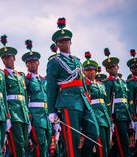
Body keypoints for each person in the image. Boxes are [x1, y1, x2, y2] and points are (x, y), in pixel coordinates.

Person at [46, 17, 99, 157]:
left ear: (71, 41)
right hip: (68, 102)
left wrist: (87, 99)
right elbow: (51, 87)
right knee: (72, 140)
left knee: (94, 132)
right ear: (57, 44)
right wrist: (51, 110)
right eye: (61, 41)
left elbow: (83, 83)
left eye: (66, 40)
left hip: (83, 101)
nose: (64, 43)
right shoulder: (55, 62)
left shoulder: (77, 61)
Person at [0, 34, 30, 157]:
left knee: (25, 144)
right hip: (13, 113)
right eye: (4, 58)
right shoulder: (2, 75)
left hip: (23, 113)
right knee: (18, 144)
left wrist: (27, 113)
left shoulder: (20, 75)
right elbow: (3, 96)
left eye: (9, 57)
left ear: (14, 58)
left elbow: (26, 96)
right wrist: (7, 116)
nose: (7, 60)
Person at [22, 40, 52, 157]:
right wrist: (28, 117)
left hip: (46, 116)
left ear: (38, 62)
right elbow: (24, 98)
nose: (31, 64)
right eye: (28, 63)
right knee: (39, 144)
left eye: (34, 61)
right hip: (35, 116)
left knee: (48, 144)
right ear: (26, 65)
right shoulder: (26, 80)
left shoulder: (44, 80)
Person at [102, 48, 132, 157]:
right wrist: (110, 116)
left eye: (113, 66)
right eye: (109, 68)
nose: (112, 69)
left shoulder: (124, 83)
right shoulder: (107, 83)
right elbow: (107, 101)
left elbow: (128, 100)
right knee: (122, 140)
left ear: (118, 67)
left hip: (126, 114)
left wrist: (131, 115)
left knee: (126, 139)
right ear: (107, 70)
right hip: (117, 116)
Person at [82, 51, 111, 157]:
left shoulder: (101, 85)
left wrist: (109, 118)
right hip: (95, 117)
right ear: (84, 72)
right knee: (100, 144)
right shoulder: (84, 84)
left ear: (96, 71)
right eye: (87, 70)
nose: (90, 73)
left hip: (105, 118)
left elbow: (107, 103)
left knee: (107, 144)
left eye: (92, 70)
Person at [126, 49, 137, 156]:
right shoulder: (131, 83)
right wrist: (133, 118)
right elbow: (131, 101)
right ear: (131, 70)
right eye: (135, 68)